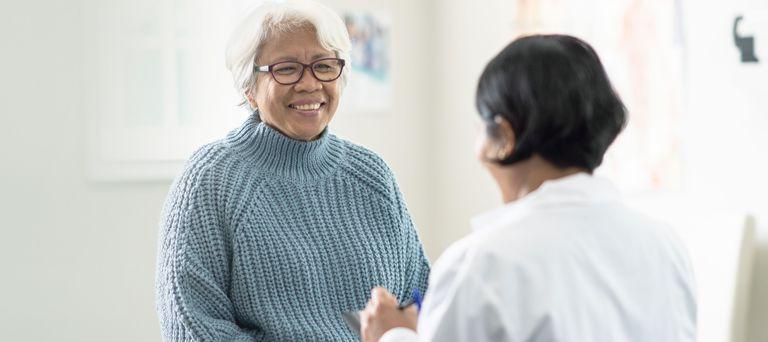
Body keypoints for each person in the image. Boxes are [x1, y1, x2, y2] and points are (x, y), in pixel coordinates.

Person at [359, 34, 697, 342]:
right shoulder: (665, 245)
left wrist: (392, 335)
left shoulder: (482, 265)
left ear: (503, 137)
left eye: (481, 127)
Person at [155, 1, 431, 340]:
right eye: (286, 69)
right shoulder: (211, 179)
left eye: (324, 66)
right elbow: (192, 327)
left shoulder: (372, 175)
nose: (309, 84)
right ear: (249, 88)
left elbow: (421, 303)